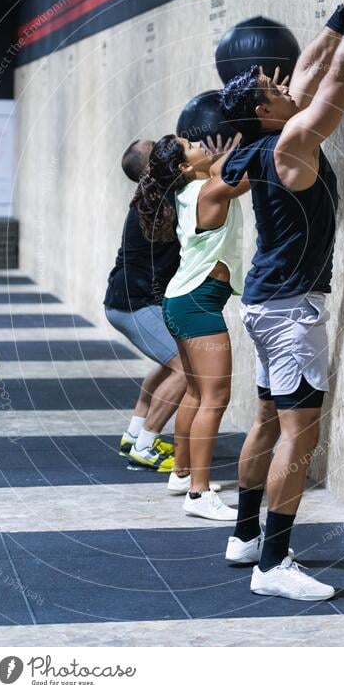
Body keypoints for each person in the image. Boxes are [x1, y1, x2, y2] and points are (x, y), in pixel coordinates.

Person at [219, 0, 344, 600]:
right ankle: (272, 566)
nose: (287, 86)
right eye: (274, 90)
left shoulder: (257, 143)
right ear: (262, 109)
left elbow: (309, 68)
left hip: (265, 304)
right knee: (301, 436)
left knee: (269, 420)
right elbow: (342, 77)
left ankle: (246, 534)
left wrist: (342, 8)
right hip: (290, 311)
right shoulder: (292, 142)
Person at [133, 134, 249, 519]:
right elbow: (257, 173)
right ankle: (199, 495)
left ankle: (182, 474)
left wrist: (217, 157)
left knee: (197, 395)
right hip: (197, 304)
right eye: (191, 144)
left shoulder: (192, 190)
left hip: (183, 301)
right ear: (185, 167)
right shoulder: (208, 192)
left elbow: (218, 172)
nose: (200, 140)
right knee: (215, 399)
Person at [104, 139, 187, 471]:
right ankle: (147, 445)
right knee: (188, 368)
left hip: (124, 302)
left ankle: (135, 432)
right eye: (159, 148)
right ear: (153, 167)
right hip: (133, 305)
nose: (171, 145)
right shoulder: (160, 201)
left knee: (170, 364)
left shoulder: (151, 198)